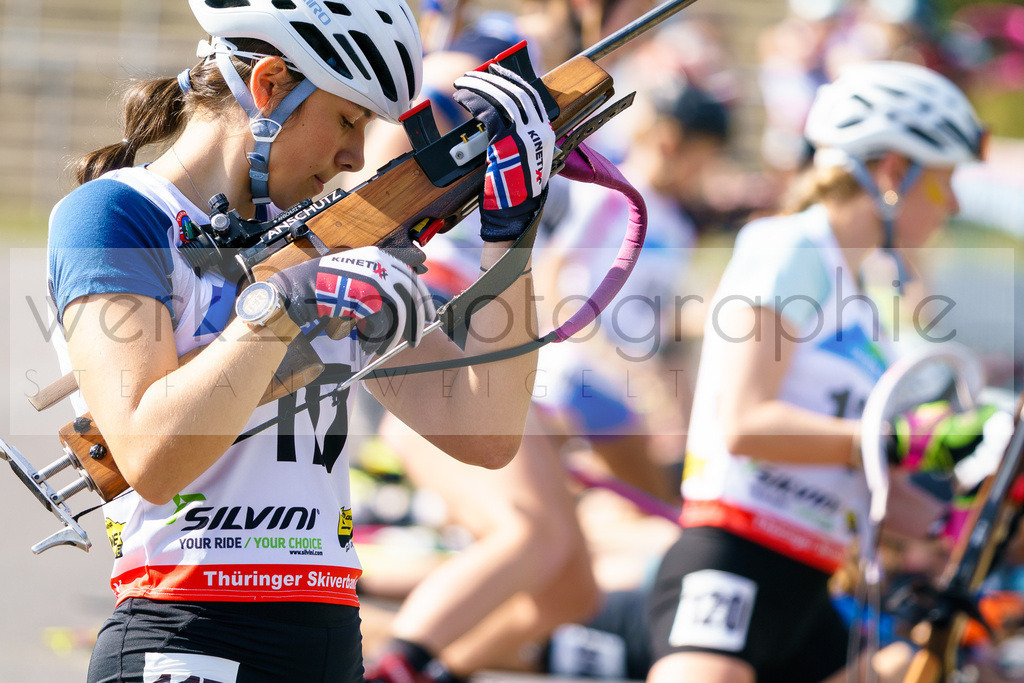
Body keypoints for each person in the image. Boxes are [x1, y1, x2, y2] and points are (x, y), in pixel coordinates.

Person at [45, 0, 556, 680]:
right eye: (348, 118)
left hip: (328, 631)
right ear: (270, 86)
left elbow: (484, 430)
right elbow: (151, 455)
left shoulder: (323, 237)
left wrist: (512, 236)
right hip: (187, 623)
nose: (354, 153)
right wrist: (282, 302)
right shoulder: (115, 213)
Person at [645, 60, 992, 683]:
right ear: (892, 171)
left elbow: (851, 462)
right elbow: (746, 424)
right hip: (737, 558)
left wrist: (954, 520)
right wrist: (896, 441)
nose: (955, 203)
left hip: (807, 587)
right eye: (944, 182)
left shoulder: (855, 294)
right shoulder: (791, 247)